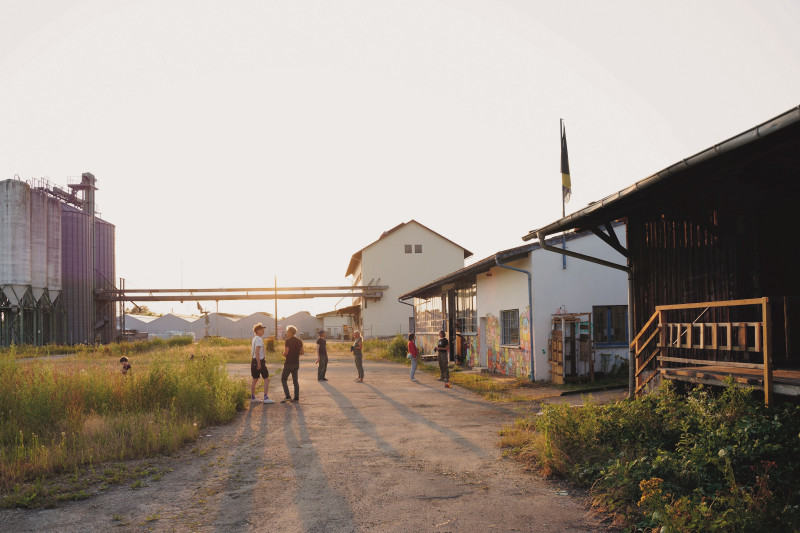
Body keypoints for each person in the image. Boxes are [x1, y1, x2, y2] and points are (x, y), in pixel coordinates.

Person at [251, 323, 274, 403]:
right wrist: (259, 363)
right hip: (259, 361)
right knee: (267, 379)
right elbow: (257, 351)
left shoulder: (254, 338)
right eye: (261, 329)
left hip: (254, 360)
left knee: (255, 379)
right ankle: (265, 397)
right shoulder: (259, 339)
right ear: (257, 331)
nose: (263, 330)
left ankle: (253, 397)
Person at [281, 325, 304, 403]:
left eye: (287, 331)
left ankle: (287, 396)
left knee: (283, 379)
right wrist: (295, 354)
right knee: (295, 381)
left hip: (288, 363)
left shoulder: (288, 341)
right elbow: (302, 352)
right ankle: (296, 398)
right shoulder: (299, 341)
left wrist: (283, 354)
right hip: (296, 363)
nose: (286, 333)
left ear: (290, 332)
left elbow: (286, 352)